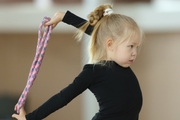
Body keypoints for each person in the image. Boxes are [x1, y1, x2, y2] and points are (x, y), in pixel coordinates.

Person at [12, 3, 144, 120]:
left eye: (136, 47)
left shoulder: (122, 64)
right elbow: (62, 98)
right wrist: (30, 118)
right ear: (110, 44)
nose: (135, 53)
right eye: (130, 46)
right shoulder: (93, 72)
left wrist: (65, 17)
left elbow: (99, 34)